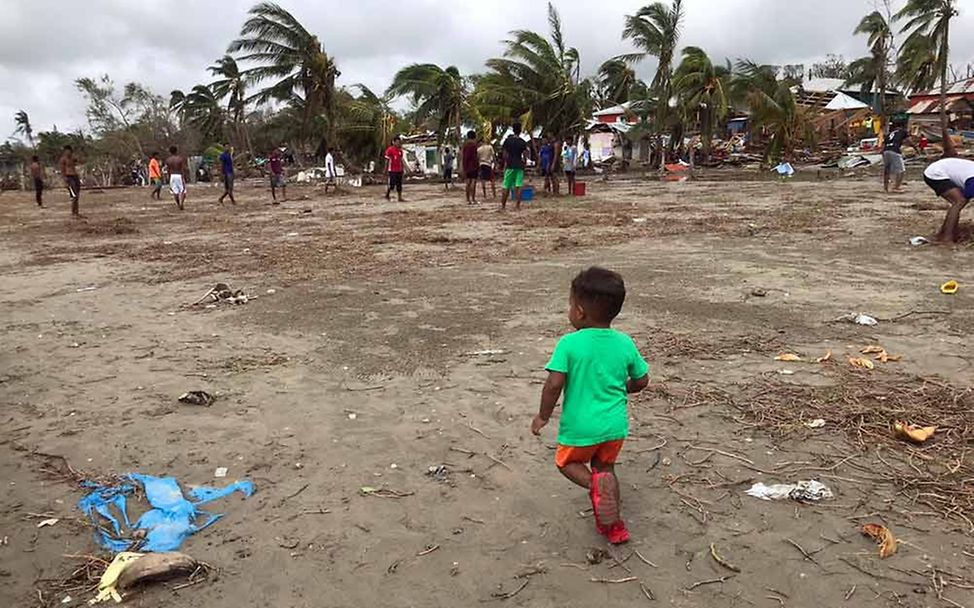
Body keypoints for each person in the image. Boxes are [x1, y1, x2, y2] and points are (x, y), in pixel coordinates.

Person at [531, 267, 649, 545]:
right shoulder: (624, 342)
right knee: (605, 467)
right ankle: (615, 527)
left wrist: (542, 416)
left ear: (580, 312)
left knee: (567, 462)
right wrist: (625, 388)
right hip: (615, 426)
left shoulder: (569, 344)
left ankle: (594, 486)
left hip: (582, 425)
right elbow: (642, 380)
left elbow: (553, 384)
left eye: (570, 305)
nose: (569, 311)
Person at [923, 157, 974, 243]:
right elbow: (967, 195)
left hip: (945, 168)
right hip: (936, 173)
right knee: (959, 201)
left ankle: (942, 233)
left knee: (960, 201)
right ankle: (946, 238)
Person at [500, 123, 528, 211]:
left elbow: (504, 154)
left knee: (506, 185)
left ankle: (503, 206)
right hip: (519, 164)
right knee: (519, 185)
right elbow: (525, 155)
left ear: (513, 130)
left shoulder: (508, 141)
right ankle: (517, 206)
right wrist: (525, 162)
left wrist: (505, 163)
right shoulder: (522, 142)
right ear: (520, 131)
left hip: (510, 164)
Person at [883, 123, 916, 194]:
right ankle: (896, 187)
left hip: (886, 151)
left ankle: (886, 187)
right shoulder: (903, 132)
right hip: (895, 151)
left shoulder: (889, 134)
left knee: (887, 170)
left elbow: (884, 144)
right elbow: (908, 141)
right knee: (901, 170)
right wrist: (915, 147)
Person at [59, 145, 81, 216]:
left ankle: (76, 212)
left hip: (75, 176)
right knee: (74, 195)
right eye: (67, 151)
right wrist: (65, 180)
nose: (68, 153)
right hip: (69, 177)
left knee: (77, 195)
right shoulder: (63, 159)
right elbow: (62, 170)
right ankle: (73, 213)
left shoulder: (73, 158)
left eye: (70, 151)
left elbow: (80, 161)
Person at [165, 145, 188, 210]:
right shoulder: (180, 159)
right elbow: (182, 169)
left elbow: (168, 170)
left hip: (172, 176)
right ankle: (182, 204)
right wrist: (184, 176)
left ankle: (178, 204)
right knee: (183, 191)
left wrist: (169, 178)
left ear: (170, 152)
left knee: (175, 192)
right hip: (179, 175)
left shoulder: (168, 160)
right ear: (176, 151)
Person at [385, 136, 405, 202]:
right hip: (392, 170)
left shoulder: (400, 151)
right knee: (392, 184)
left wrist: (403, 168)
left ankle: (400, 197)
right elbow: (387, 160)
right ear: (393, 142)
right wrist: (386, 169)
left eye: (399, 142)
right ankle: (387, 194)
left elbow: (401, 160)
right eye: (397, 142)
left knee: (399, 184)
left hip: (399, 170)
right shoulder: (390, 150)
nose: (398, 144)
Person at [461, 131, 480, 204]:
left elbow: (464, 157)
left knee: (468, 182)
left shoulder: (465, 145)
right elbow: (475, 157)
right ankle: (473, 199)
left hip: (467, 166)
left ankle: (467, 199)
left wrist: (464, 166)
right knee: (473, 182)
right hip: (473, 166)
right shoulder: (474, 145)